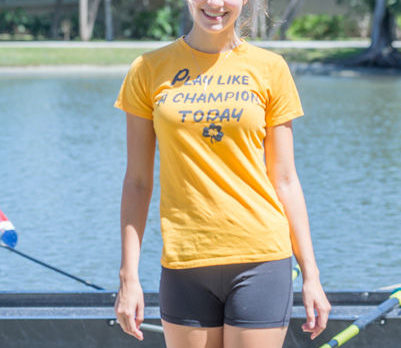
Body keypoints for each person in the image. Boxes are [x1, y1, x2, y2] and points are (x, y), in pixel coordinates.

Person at [113, 0, 331, 347]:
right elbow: (137, 183)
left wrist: (311, 276)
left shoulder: (270, 68)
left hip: (260, 259)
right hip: (185, 261)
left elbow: (286, 179)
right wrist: (128, 276)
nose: (215, 3)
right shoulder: (148, 69)